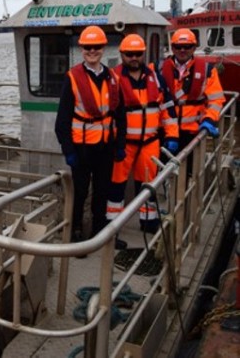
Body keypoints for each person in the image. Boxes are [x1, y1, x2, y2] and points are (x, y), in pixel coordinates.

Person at [55, 25, 126, 250]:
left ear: (103, 48)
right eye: (88, 47)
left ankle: (99, 231)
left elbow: (120, 115)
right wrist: (69, 151)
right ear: (82, 49)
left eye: (96, 47)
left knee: (102, 192)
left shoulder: (112, 78)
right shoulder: (73, 78)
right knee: (80, 191)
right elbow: (62, 120)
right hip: (82, 148)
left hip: (105, 147)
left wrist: (120, 145)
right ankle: (75, 233)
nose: (92, 51)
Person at [107, 34, 179, 234]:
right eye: (129, 54)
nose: (133, 57)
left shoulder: (156, 78)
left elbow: (168, 110)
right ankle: (113, 226)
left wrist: (172, 136)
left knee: (149, 185)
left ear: (143, 54)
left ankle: (149, 223)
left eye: (137, 54)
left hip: (150, 143)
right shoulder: (113, 79)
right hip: (123, 145)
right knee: (116, 186)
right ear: (122, 54)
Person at [160, 28, 225, 151]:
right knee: (162, 167)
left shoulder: (207, 71)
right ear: (172, 48)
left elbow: (216, 100)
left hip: (193, 131)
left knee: (191, 168)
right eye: (178, 47)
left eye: (187, 46)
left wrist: (209, 119)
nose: (182, 50)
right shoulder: (158, 68)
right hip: (165, 130)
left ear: (194, 48)